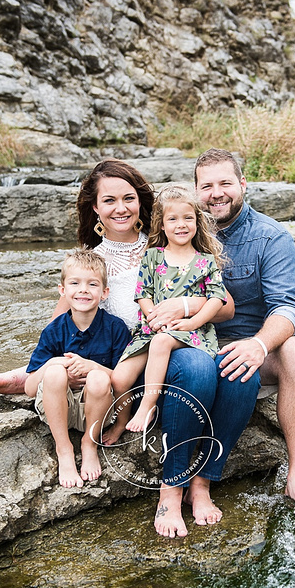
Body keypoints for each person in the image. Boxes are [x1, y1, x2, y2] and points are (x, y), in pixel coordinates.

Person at [148, 149, 295, 538]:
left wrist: (259, 345)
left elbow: (289, 307)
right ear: (195, 191)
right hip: (190, 342)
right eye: (206, 186)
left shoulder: (269, 236)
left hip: (246, 343)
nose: (216, 193)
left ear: (242, 184)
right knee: (197, 366)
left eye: (225, 183)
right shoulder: (177, 231)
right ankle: (177, 485)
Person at [0, 159, 156, 394]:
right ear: (95, 207)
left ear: (139, 199)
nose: (121, 208)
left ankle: (29, 375)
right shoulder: (92, 262)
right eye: (109, 200)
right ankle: (32, 373)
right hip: (109, 356)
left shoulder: (162, 245)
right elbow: (59, 323)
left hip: (154, 350)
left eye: (128, 198)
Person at [110, 184, 228, 437]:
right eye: (172, 219)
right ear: (162, 225)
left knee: (163, 342)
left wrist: (192, 322)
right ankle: (121, 421)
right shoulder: (152, 257)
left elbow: (217, 299)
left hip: (191, 332)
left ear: (197, 221)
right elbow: (143, 293)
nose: (181, 224)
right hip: (151, 329)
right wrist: (153, 319)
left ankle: (147, 407)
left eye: (188, 218)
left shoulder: (205, 261)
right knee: (119, 379)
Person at [23, 248, 132, 488]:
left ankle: (89, 444)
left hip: (98, 412)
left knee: (98, 378)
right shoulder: (54, 330)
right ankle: (64, 450)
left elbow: (124, 382)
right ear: (63, 291)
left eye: (92, 284)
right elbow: (30, 388)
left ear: (104, 293)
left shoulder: (116, 329)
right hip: (59, 410)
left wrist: (94, 367)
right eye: (74, 283)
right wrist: (55, 363)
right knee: (53, 371)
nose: (83, 289)